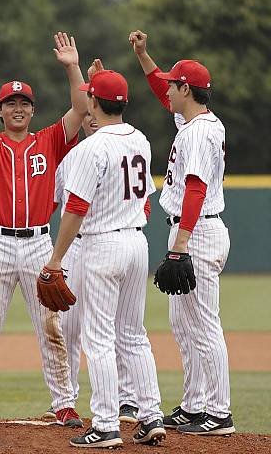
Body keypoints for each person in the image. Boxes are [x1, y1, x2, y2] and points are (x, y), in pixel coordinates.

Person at [0, 31, 88, 430]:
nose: (17, 108)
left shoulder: (48, 141)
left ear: (32, 110)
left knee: (51, 328)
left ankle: (64, 403)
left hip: (37, 244)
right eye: (10, 103)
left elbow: (81, 108)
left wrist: (72, 67)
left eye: (24, 103)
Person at [41, 68, 165, 449]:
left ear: (93, 102)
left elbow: (75, 208)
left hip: (101, 245)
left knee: (98, 338)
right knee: (133, 335)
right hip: (136, 243)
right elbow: (146, 200)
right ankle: (152, 415)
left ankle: (107, 424)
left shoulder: (90, 148)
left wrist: (55, 259)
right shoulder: (140, 139)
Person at [129, 29, 234, 436]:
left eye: (175, 84)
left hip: (199, 233)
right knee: (184, 325)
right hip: (191, 232)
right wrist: (143, 56)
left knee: (204, 326)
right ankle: (194, 406)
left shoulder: (201, 131)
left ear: (186, 88)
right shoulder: (195, 121)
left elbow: (196, 188)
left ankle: (219, 411)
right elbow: (160, 91)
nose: (168, 90)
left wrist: (181, 246)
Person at [45, 100, 140, 426]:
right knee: (69, 328)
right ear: (83, 119)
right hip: (78, 246)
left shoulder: (113, 147)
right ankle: (66, 399)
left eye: (92, 112)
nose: (91, 120)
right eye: (84, 116)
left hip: (103, 244)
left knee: (113, 330)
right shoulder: (73, 157)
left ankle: (126, 401)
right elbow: (55, 203)